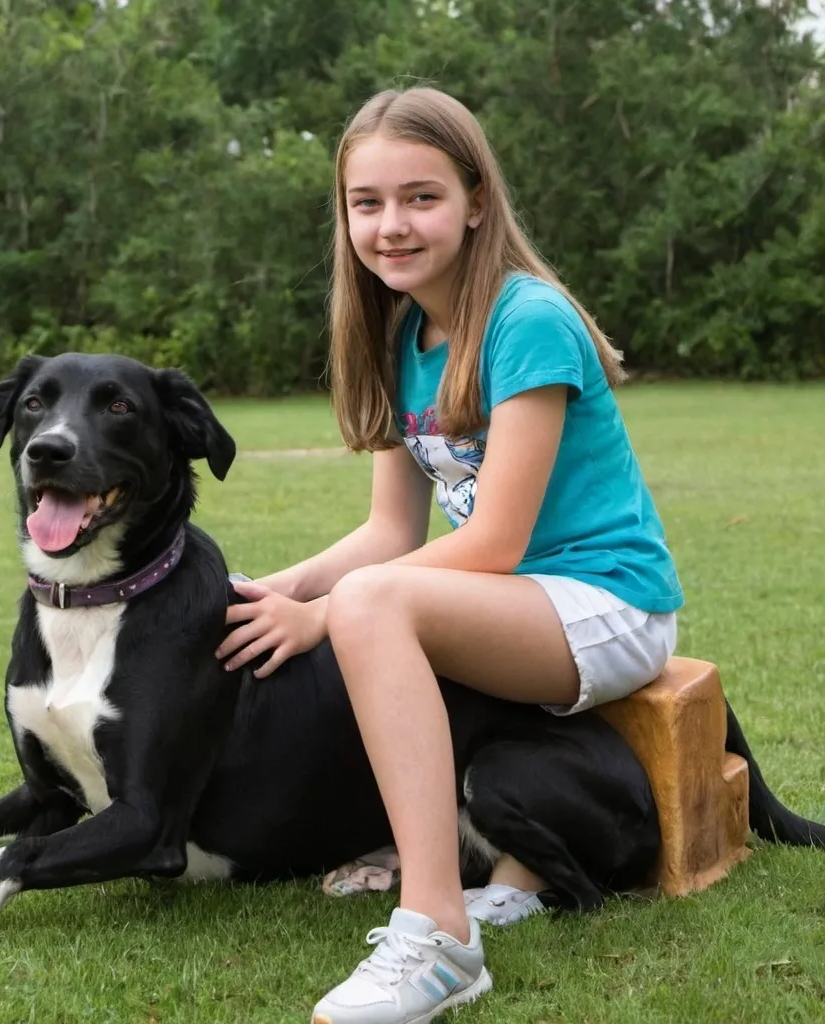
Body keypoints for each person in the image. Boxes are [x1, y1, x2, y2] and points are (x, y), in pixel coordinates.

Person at [215, 86, 683, 1024]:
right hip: (510, 598)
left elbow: (495, 539)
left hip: (605, 602)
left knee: (370, 605)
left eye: (421, 197)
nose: (391, 225)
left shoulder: (527, 319)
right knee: (366, 593)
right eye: (367, 203)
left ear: (476, 198)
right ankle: (488, 881)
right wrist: (274, 589)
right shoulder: (399, 341)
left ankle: (438, 938)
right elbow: (391, 534)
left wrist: (330, 611)